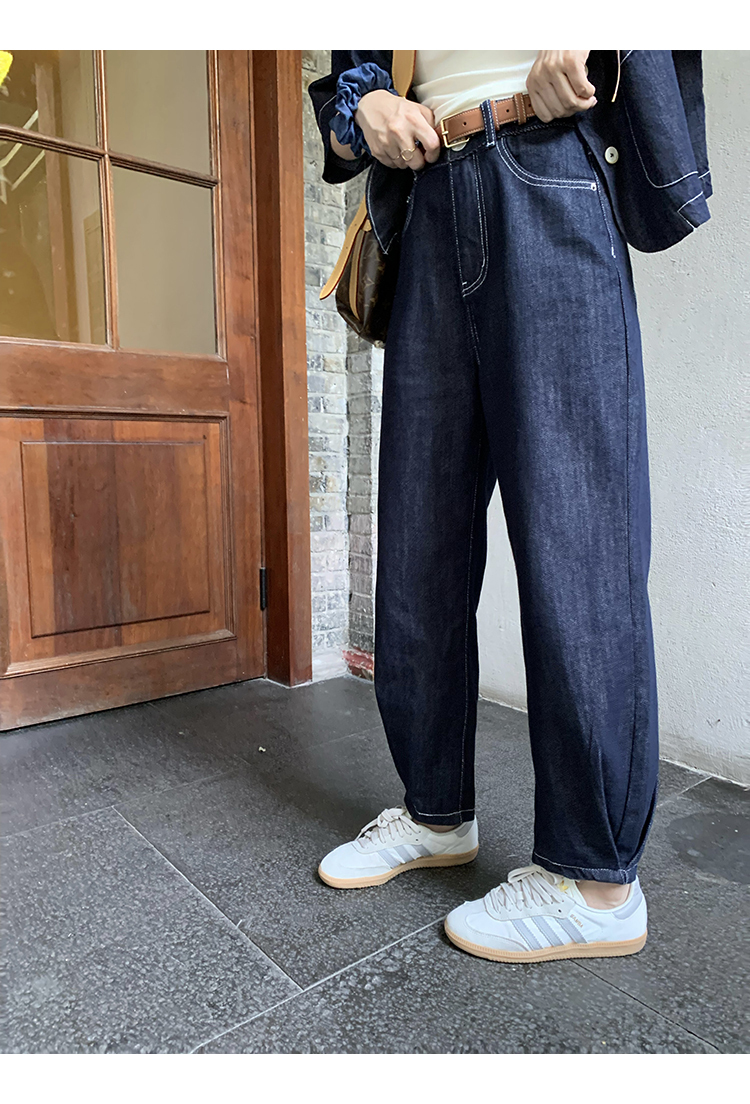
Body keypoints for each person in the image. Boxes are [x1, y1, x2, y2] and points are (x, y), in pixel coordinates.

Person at [307, 51, 712, 964]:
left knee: (577, 536)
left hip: (550, 166)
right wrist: (366, 103)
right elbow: (354, 70)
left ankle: (598, 881)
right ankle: (434, 812)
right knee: (418, 537)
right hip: (428, 195)